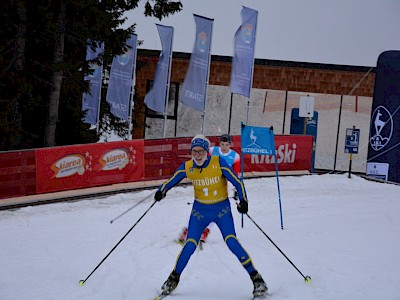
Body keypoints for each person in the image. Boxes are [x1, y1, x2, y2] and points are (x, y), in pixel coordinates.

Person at [154, 134, 268, 298]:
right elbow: (172, 180)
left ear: (207, 152)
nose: (198, 155)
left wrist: (244, 201)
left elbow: (238, 182)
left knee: (231, 241)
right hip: (199, 212)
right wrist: (161, 191)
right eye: (194, 151)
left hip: (222, 210)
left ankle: (257, 279)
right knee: (190, 244)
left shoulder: (218, 163)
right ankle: (173, 278)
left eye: (201, 151)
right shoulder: (188, 167)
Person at [177, 134, 240, 245]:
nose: (224, 147)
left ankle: (205, 231)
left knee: (217, 211)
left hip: (220, 186)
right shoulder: (212, 150)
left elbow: (236, 175)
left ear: (230, 144)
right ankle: (187, 230)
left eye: (226, 145)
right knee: (198, 211)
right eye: (222, 144)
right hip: (203, 183)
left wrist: (237, 190)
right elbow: (198, 158)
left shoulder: (235, 157)